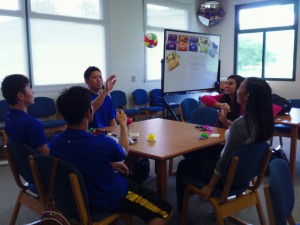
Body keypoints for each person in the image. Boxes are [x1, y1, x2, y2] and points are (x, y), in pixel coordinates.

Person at [50, 86, 173, 225]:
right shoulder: (101, 142)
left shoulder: (55, 142)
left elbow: (77, 159)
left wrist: (110, 164)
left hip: (77, 197)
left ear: (62, 115)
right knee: (164, 211)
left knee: (132, 179)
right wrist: (122, 125)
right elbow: (124, 152)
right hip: (107, 196)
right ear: (90, 113)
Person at [176, 77, 274, 212]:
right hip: (246, 171)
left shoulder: (241, 124)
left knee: (183, 165)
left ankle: (181, 211)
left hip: (228, 176)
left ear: (247, 96)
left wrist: (210, 186)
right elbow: (243, 137)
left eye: (240, 87)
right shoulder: (264, 120)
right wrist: (226, 121)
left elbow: (225, 158)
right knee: (192, 153)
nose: (237, 89)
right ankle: (194, 180)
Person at [1, 74, 49, 154]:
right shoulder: (32, 123)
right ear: (20, 96)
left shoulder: (9, 118)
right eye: (29, 89)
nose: (33, 92)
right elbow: (46, 153)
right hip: (41, 165)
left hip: (24, 164)